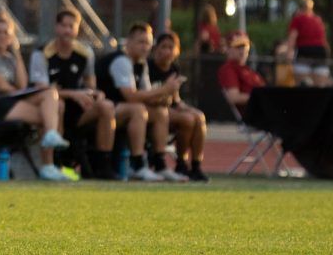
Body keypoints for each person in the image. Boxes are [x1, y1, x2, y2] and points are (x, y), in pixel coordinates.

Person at [0, 13, 72, 180]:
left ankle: (49, 158)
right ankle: (49, 156)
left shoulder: (9, 58)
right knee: (51, 109)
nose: (3, 36)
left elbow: (23, 84)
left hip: (10, 101)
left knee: (55, 101)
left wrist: (16, 53)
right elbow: (0, 86)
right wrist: (19, 93)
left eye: (7, 32)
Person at [29, 8, 117, 179]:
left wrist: (94, 95)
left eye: (72, 26)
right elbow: (43, 90)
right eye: (64, 25)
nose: (68, 30)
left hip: (79, 109)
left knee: (106, 106)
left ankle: (103, 165)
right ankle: (56, 163)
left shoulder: (85, 53)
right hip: (51, 108)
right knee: (58, 104)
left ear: (77, 29)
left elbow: (91, 86)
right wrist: (73, 94)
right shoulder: (42, 54)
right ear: (56, 27)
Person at [94, 23, 186, 182]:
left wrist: (165, 97)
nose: (145, 47)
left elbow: (147, 95)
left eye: (148, 43)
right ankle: (137, 165)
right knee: (137, 110)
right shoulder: (121, 61)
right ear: (128, 42)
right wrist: (164, 89)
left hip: (121, 109)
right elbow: (130, 96)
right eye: (141, 42)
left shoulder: (141, 64)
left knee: (159, 112)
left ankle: (160, 164)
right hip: (102, 109)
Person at [147, 31, 209, 182]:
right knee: (187, 119)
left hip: (169, 108)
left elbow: (175, 99)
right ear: (156, 49)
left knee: (198, 117)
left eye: (171, 47)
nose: (168, 51)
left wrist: (184, 106)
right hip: (154, 109)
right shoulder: (148, 67)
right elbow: (148, 96)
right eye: (164, 47)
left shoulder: (174, 69)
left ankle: (195, 165)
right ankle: (180, 162)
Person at [278, 0, 331, 87]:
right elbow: (324, 40)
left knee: (303, 87)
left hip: (304, 53)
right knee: (320, 87)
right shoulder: (318, 20)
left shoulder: (297, 19)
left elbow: (292, 37)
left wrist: (289, 54)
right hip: (320, 53)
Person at [218, 32, 266, 114]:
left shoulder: (247, 69)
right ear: (228, 49)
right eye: (238, 46)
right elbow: (233, 97)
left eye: (245, 45)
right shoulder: (229, 69)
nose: (243, 49)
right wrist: (260, 97)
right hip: (253, 115)